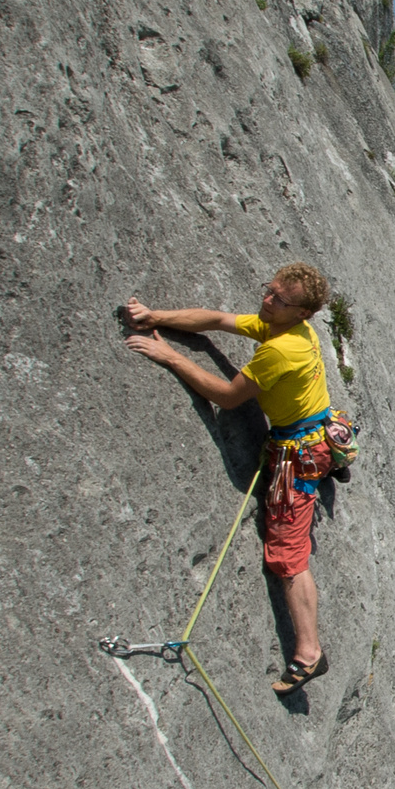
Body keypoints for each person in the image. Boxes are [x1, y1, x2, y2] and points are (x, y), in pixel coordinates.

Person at [123, 263, 337, 695]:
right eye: (270, 290)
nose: (267, 300)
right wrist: (156, 316)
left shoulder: (281, 349)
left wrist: (170, 356)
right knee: (288, 549)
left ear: (301, 313)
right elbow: (218, 320)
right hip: (314, 431)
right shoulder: (287, 330)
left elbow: (226, 397)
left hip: (298, 454)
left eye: (279, 299)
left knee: (288, 556)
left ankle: (311, 653)